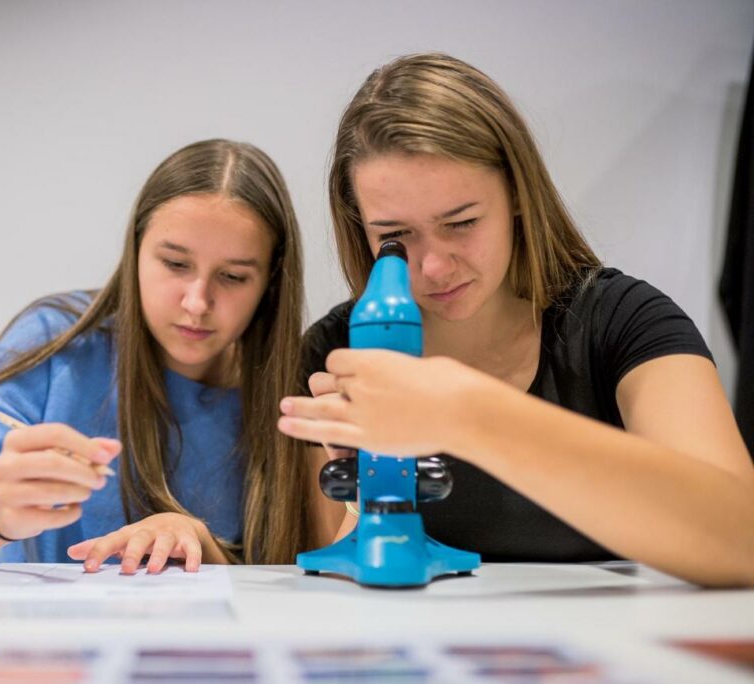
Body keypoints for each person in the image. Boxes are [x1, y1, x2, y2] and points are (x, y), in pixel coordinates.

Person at [277, 54, 754, 587]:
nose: (432, 266)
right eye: (395, 235)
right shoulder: (333, 350)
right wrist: (360, 502)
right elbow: (315, 577)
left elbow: (742, 541)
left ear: (518, 199)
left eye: (461, 223)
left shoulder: (624, 322)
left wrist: (467, 414)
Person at [0, 139, 314, 573]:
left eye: (233, 276)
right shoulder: (59, 341)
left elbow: (297, 584)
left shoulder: (296, 391)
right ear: (136, 251)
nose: (197, 302)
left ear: (271, 281)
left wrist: (200, 543)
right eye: (175, 264)